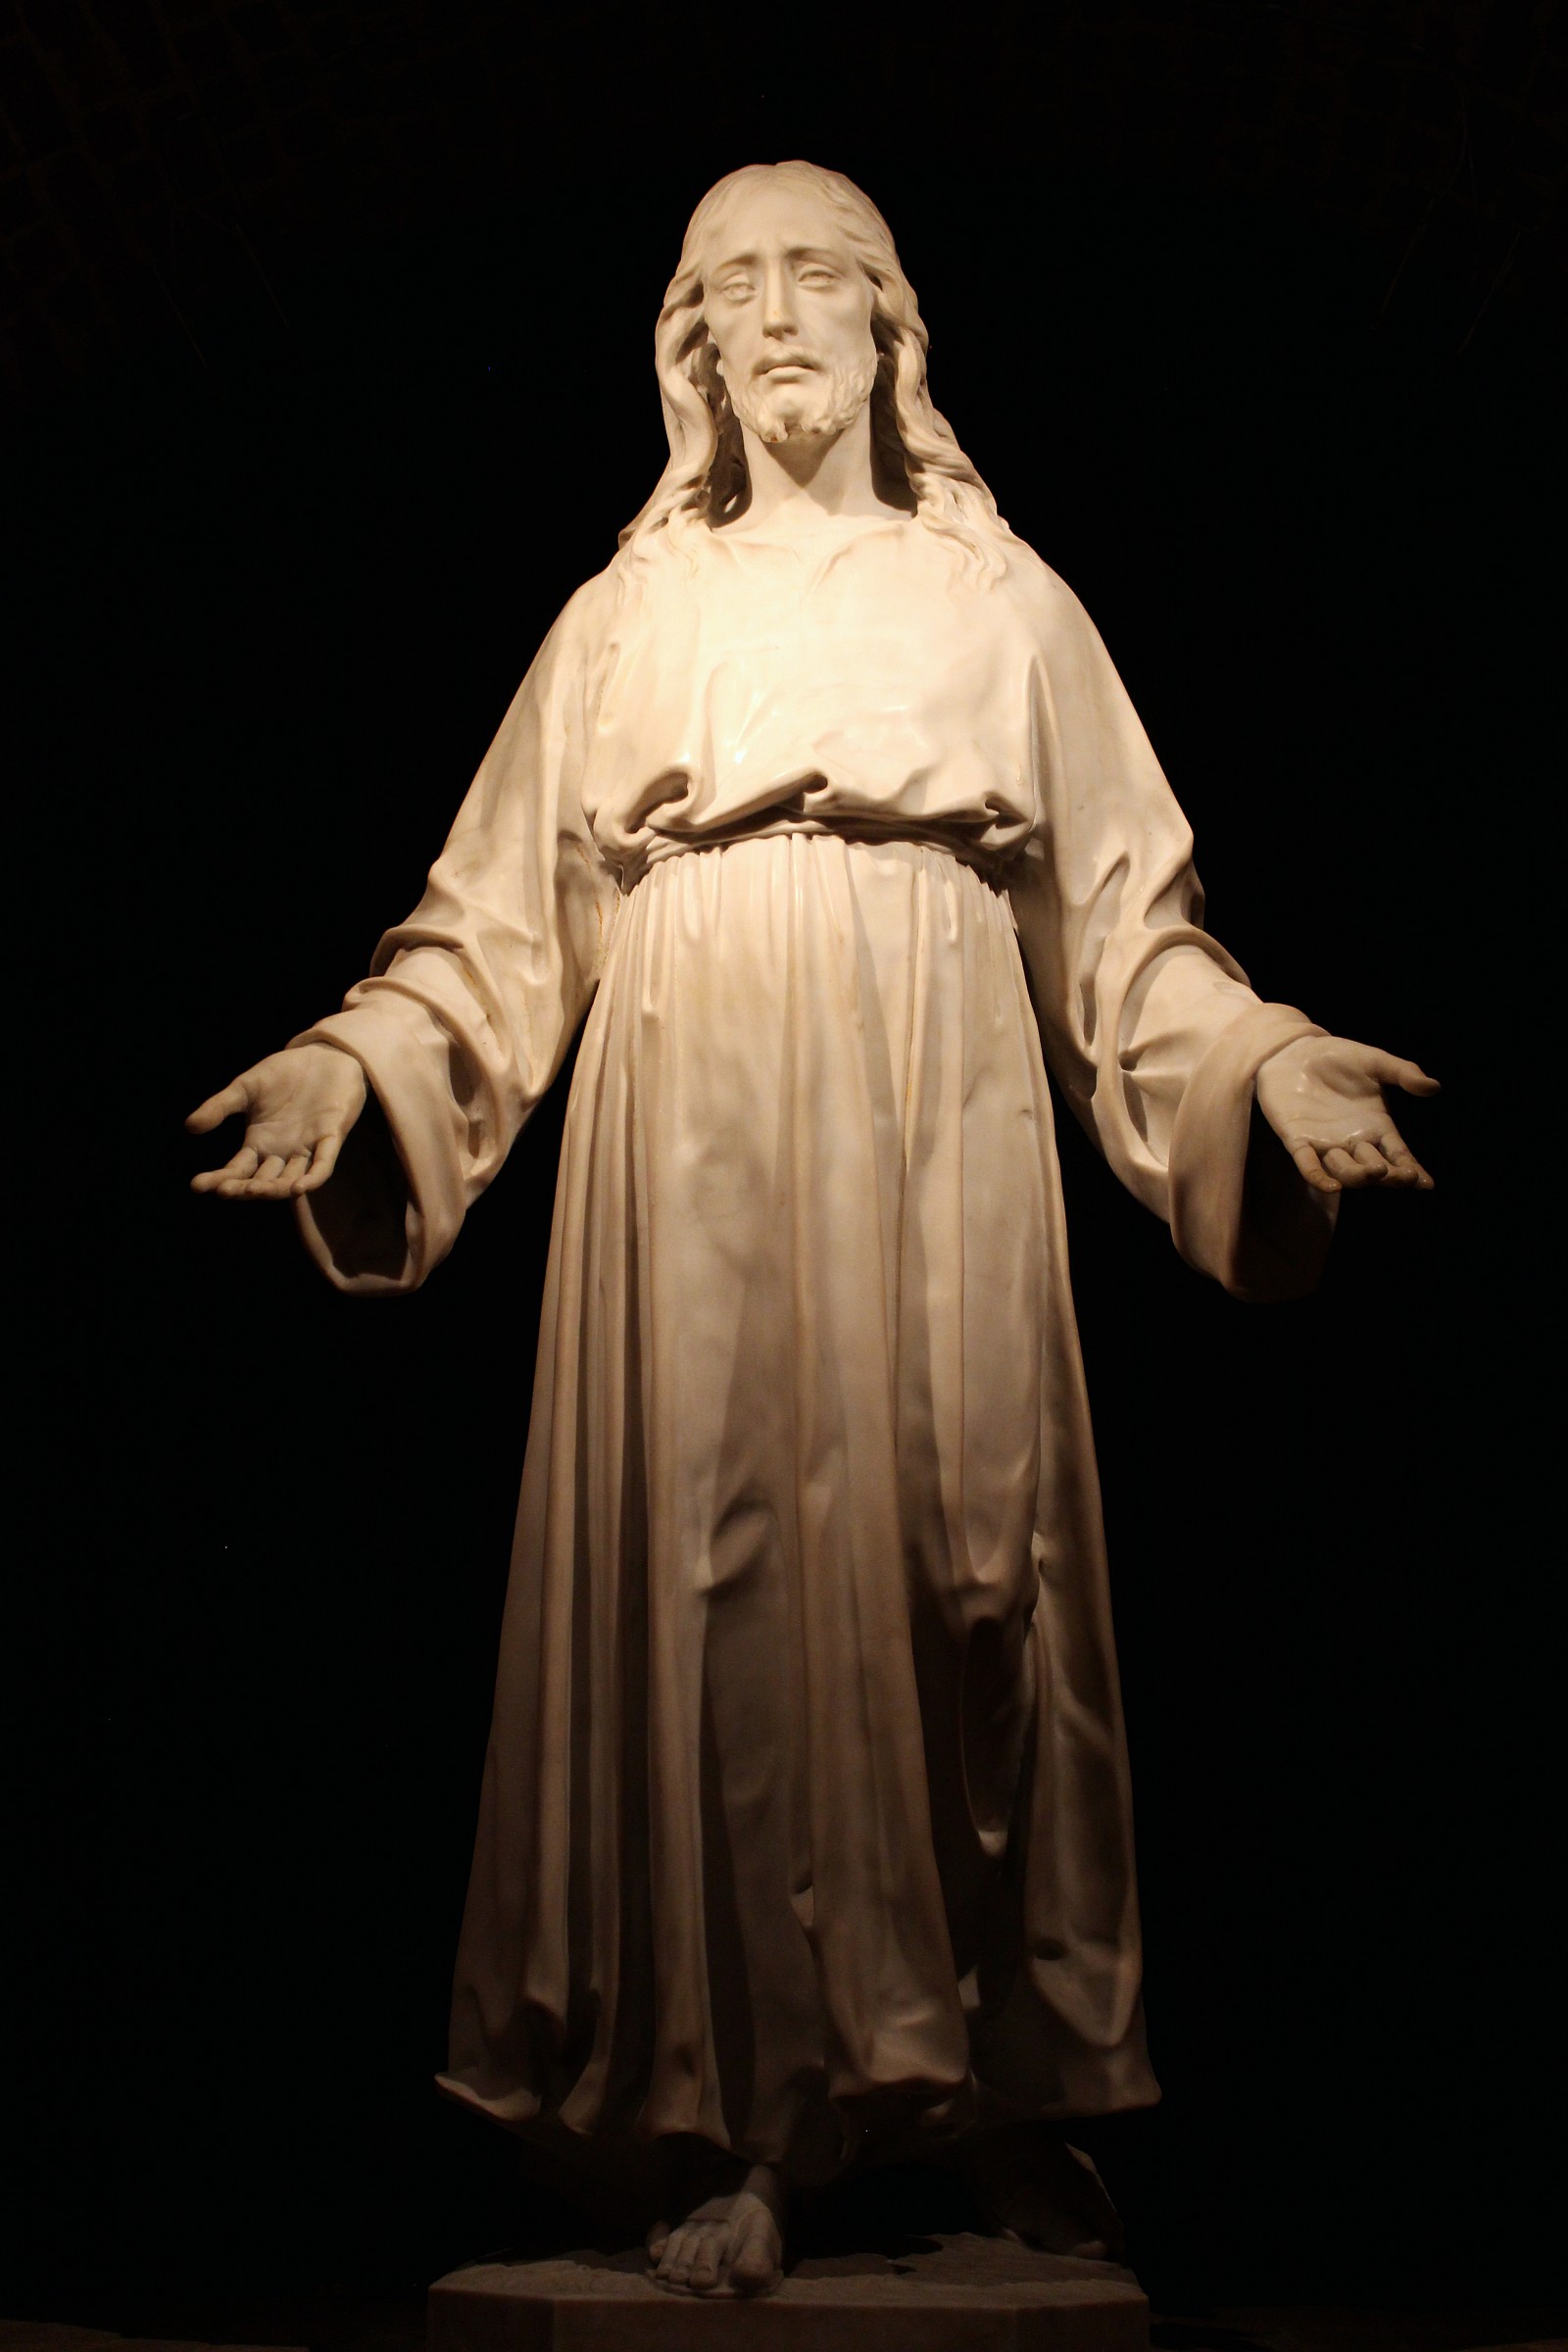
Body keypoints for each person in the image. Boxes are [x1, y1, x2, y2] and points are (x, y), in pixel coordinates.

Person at [188, 161, 1436, 2299]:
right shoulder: (626, 619)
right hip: (690, 1125)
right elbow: (491, 937)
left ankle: (974, 2100)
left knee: (967, 1563)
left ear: (887, 331)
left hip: (931, 1102)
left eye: (813, 283)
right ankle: (742, 2111)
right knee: (718, 1577)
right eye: (726, 289)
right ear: (687, 348)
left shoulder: (999, 608)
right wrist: (358, 1062)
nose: (772, 320)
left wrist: (1262, 1066)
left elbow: (1130, 941)